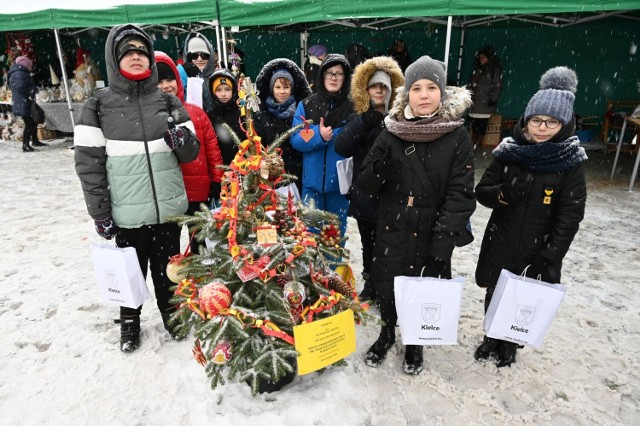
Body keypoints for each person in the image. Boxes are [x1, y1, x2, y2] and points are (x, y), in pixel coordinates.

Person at [73, 24, 200, 352]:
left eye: (141, 52)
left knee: (167, 271)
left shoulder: (169, 102)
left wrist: (181, 140)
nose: (136, 58)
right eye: (128, 53)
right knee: (130, 273)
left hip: (169, 209)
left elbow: (192, 150)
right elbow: (89, 165)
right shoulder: (98, 106)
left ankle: (172, 314)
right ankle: (130, 322)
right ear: (115, 60)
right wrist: (100, 212)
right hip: (127, 212)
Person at [357, 56, 475, 375]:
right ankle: (385, 335)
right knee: (388, 284)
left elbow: (460, 194)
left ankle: (414, 343)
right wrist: (379, 172)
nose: (424, 95)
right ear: (407, 94)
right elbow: (364, 183)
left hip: (431, 229)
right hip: (392, 225)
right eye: (417, 88)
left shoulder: (457, 136)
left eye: (431, 87)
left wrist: (443, 244)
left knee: (422, 289)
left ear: (443, 92)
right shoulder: (391, 131)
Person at [473, 66, 587, 368]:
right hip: (503, 237)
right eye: (536, 119)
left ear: (564, 124)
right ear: (526, 120)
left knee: (523, 296)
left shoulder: (570, 162)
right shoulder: (509, 151)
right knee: (496, 290)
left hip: (538, 245)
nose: (541, 127)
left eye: (551, 122)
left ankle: (509, 344)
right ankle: (490, 336)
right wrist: (504, 193)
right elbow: (483, 191)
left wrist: (550, 253)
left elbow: (571, 213)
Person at [334, 56, 404, 302]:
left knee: (390, 246)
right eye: (374, 86)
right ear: (366, 89)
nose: (378, 90)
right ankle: (370, 284)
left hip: (391, 193)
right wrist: (363, 122)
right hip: (365, 193)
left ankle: (386, 286)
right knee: (369, 243)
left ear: (390, 90)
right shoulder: (359, 117)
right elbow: (341, 147)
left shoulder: (399, 118)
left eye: (383, 86)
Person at [155, 51, 224, 252]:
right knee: (170, 252)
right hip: (168, 197)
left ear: (178, 81)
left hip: (198, 192)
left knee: (202, 248)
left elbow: (211, 149)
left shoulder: (196, 113)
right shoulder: (151, 119)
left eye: (170, 79)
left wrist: (217, 180)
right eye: (159, 81)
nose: (166, 85)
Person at [291, 54, 354, 238]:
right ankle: (314, 269)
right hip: (312, 186)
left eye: (339, 74)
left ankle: (334, 268)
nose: (334, 78)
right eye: (329, 73)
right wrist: (320, 136)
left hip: (339, 188)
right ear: (321, 76)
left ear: (345, 78)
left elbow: (356, 138)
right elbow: (295, 138)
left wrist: (335, 135)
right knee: (310, 236)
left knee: (334, 237)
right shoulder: (307, 105)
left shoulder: (352, 107)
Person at [253, 58, 312, 195]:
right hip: (273, 178)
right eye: (278, 87)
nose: (282, 91)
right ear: (271, 89)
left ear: (292, 88)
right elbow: (258, 147)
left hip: (299, 174)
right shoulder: (262, 116)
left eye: (286, 87)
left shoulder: (301, 111)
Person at [204, 68, 244, 165]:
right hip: (222, 170)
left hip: (245, 168)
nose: (223, 94)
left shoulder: (242, 113)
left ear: (234, 90)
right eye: (218, 90)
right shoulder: (210, 116)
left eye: (227, 89)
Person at [467, 45, 503, 148]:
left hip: (485, 102)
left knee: (482, 124)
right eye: (480, 57)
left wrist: (493, 99)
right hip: (475, 102)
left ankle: (478, 142)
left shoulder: (494, 69)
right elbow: (471, 83)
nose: (480, 59)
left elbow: (497, 85)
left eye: (483, 57)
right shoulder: (477, 69)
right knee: (474, 123)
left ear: (489, 58)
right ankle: (473, 142)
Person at [8, 55, 45, 152]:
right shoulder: (20, 74)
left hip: (22, 101)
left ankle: (35, 140)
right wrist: (32, 90)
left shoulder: (17, 72)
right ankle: (25, 145)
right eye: (29, 65)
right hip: (23, 102)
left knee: (33, 122)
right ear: (24, 64)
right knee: (29, 124)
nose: (30, 67)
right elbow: (21, 87)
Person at [176, 32, 217, 98]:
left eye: (204, 55)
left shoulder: (215, 78)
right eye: (194, 55)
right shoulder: (180, 78)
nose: (200, 59)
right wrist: (182, 71)